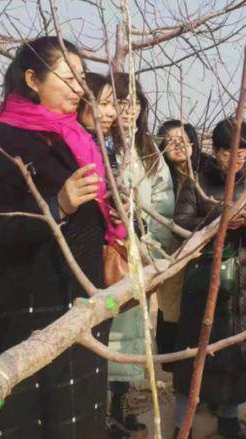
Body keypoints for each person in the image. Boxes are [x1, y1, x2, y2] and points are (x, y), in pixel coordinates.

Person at [0, 37, 119, 438]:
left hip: (82, 301)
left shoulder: (77, 139)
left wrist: (111, 212)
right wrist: (55, 207)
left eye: (83, 77)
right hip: (26, 310)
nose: (81, 88)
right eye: (69, 78)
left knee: (82, 419)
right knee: (32, 419)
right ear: (33, 78)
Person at [171, 119, 246, 439]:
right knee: (194, 352)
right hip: (204, 276)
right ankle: (181, 423)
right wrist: (220, 219)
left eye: (243, 148)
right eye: (229, 149)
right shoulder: (197, 182)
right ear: (215, 151)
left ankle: (229, 416)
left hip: (245, 275)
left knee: (236, 349)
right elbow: (182, 224)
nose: (238, 155)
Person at [106, 72, 176, 438]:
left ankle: (118, 408)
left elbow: (163, 199)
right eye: (121, 101)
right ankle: (101, 411)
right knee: (104, 332)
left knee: (132, 335)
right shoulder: (102, 143)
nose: (129, 110)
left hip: (138, 252)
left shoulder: (148, 148)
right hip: (107, 252)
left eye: (136, 102)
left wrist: (153, 247)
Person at [154, 119, 201, 385]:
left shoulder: (206, 171)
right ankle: (177, 370)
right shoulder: (161, 176)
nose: (177, 145)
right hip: (171, 252)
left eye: (182, 139)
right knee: (172, 307)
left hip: (202, 252)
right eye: (170, 141)